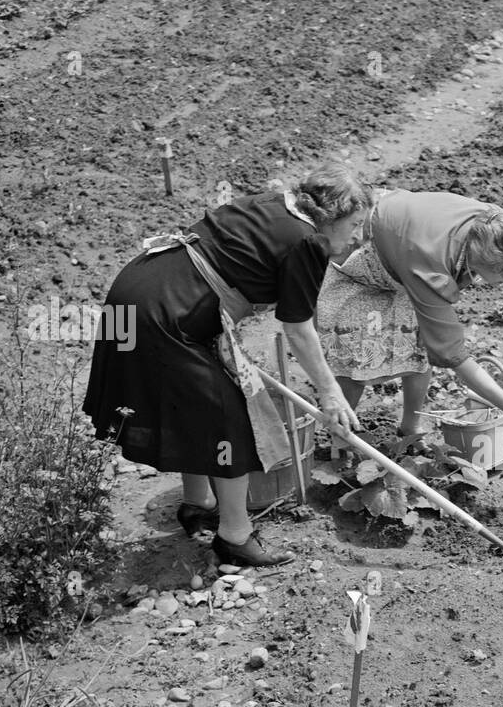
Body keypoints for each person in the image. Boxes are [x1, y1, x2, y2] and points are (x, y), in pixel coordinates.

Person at [82, 162, 369, 567]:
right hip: (165, 313)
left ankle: (198, 503)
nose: (358, 236)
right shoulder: (308, 242)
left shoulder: (275, 203)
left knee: (193, 404)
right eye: (355, 224)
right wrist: (330, 391)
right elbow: (298, 327)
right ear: (330, 217)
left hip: (135, 290)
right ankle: (235, 536)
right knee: (229, 414)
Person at [314, 190, 503, 442]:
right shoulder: (431, 269)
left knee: (417, 346)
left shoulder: (491, 224)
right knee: (355, 357)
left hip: (403, 256)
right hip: (361, 258)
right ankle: (339, 439)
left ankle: (410, 428)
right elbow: (452, 353)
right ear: (487, 260)